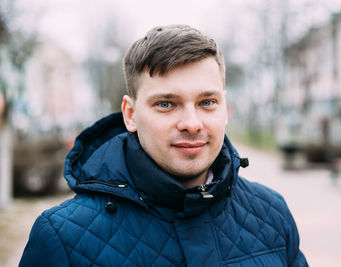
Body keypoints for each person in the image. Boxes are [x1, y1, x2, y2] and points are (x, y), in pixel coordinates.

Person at [20, 24, 308, 266]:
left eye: (207, 102)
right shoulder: (63, 237)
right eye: (166, 104)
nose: (192, 123)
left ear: (224, 106)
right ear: (130, 114)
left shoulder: (272, 213)